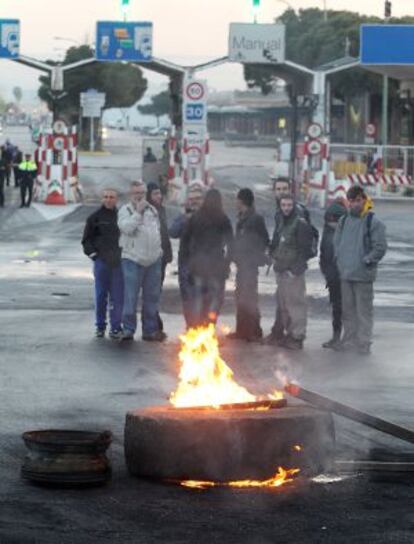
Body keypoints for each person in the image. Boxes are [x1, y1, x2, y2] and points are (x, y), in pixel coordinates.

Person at [334, 186, 387, 355]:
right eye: (351, 201)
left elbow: (380, 247)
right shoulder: (343, 221)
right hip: (346, 275)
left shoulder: (373, 222)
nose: (354, 204)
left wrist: (367, 260)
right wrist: (340, 261)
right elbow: (337, 243)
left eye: (357, 200)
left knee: (363, 312)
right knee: (348, 311)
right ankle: (349, 340)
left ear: (364, 199)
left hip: (363, 276)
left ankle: (363, 343)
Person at [264, 177, 313, 344]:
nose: (281, 192)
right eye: (278, 189)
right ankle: (285, 333)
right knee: (283, 302)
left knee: (295, 303)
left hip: (292, 268)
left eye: (285, 189)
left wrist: (297, 267)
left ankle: (295, 336)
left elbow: (305, 244)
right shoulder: (280, 214)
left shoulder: (298, 214)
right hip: (282, 266)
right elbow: (278, 237)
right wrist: (272, 251)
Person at [118, 180, 165, 342]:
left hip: (153, 260)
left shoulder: (152, 210)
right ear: (131, 194)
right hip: (133, 259)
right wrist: (137, 213)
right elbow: (126, 228)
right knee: (131, 296)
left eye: (142, 193)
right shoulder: (125, 210)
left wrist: (160, 252)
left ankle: (149, 330)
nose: (139, 196)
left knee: (152, 297)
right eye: (136, 193)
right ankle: (128, 329)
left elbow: (157, 231)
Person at [181, 188, 233, 327]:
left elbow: (185, 241)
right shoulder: (223, 219)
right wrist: (227, 264)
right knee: (215, 298)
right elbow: (231, 244)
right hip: (216, 265)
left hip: (197, 265)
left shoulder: (196, 217)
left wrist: (186, 262)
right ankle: (209, 326)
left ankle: (196, 327)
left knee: (198, 299)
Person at [227, 188, 269, 342]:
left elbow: (264, 239)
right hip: (241, 265)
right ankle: (241, 330)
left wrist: (256, 255)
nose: (235, 202)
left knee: (249, 297)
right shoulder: (242, 218)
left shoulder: (255, 219)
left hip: (250, 265)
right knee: (240, 296)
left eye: (237, 199)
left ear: (242, 201)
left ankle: (253, 331)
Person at [81, 189, 124, 339]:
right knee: (100, 296)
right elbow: (86, 240)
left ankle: (116, 327)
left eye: (111, 197)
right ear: (102, 199)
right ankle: (100, 326)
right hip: (101, 263)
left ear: (116, 199)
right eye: (105, 197)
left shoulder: (123, 217)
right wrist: (93, 255)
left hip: (118, 263)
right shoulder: (94, 218)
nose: (108, 200)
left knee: (117, 297)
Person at [169, 183, 204, 328]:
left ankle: (202, 329)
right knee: (187, 299)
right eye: (191, 199)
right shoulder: (183, 217)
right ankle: (190, 327)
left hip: (204, 265)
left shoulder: (210, 216)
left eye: (197, 198)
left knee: (202, 299)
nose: (194, 201)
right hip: (186, 264)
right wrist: (186, 219)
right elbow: (173, 232)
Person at [319, 199, 347, 349]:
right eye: (330, 221)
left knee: (346, 310)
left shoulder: (346, 233)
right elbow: (323, 255)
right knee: (336, 309)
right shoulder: (328, 232)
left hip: (345, 278)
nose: (332, 224)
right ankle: (336, 337)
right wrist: (327, 272)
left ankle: (348, 339)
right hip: (333, 278)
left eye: (334, 221)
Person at [146, 181, 173, 332]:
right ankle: (152, 324)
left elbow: (165, 235)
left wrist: (168, 254)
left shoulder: (161, 210)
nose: (159, 196)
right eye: (155, 194)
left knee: (157, 291)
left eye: (159, 193)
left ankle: (154, 321)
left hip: (162, 257)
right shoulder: (149, 211)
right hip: (153, 257)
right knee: (152, 291)